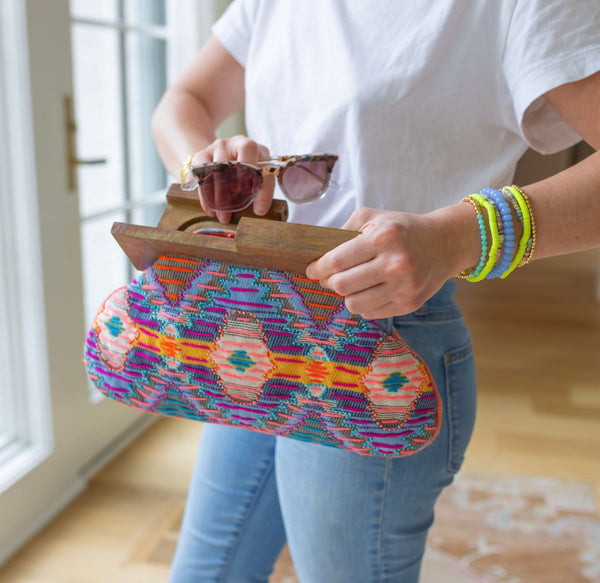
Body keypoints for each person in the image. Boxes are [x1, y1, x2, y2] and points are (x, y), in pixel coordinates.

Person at [151, 2, 600, 581]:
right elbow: (184, 99)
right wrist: (202, 164)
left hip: (380, 341)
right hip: (255, 322)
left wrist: (458, 236)